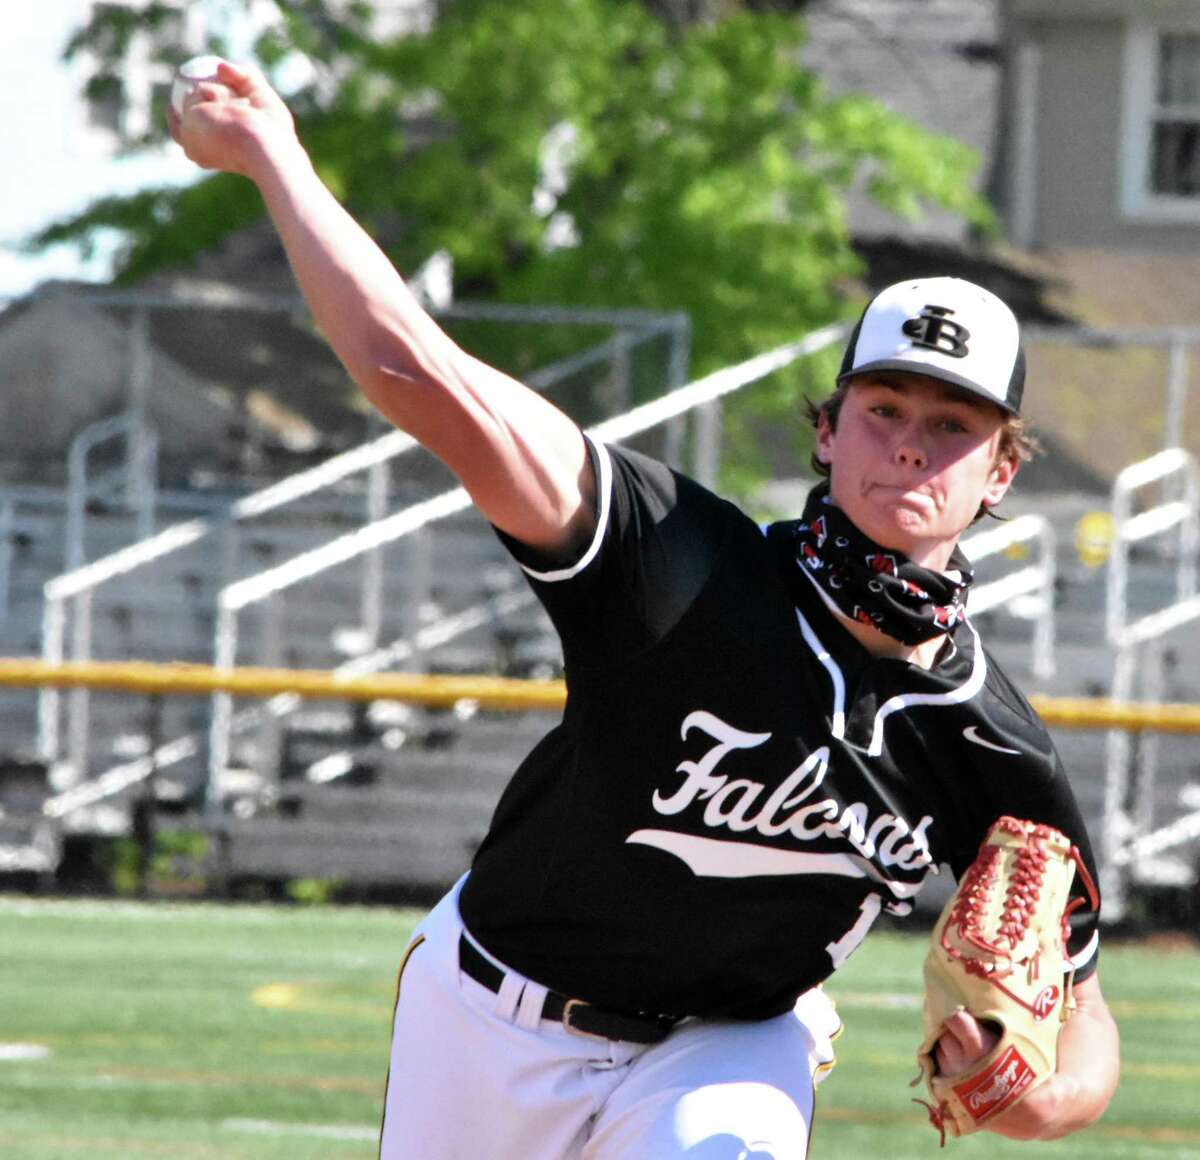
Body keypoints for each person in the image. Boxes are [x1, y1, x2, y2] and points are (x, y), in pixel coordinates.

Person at [170, 62, 1119, 1158]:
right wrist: (275, 156)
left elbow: (1087, 1018)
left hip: (728, 1046)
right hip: (489, 1015)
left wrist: (1042, 1094)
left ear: (1002, 470)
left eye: (955, 424)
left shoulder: (985, 738)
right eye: (884, 406)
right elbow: (422, 375)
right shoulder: (680, 565)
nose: (910, 440)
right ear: (826, 428)